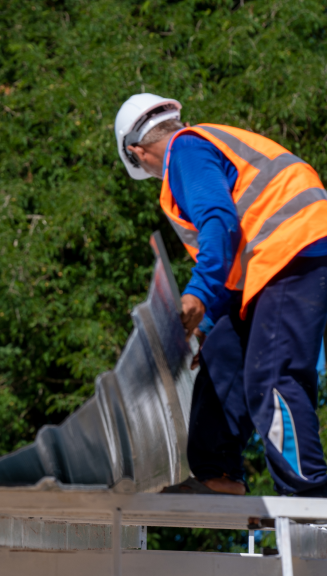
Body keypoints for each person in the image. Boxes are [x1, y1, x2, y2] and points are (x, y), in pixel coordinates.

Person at [115, 94, 327, 496]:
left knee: (274, 376)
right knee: (222, 354)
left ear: (137, 152)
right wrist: (207, 325)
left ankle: (310, 498)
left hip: (292, 250)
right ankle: (218, 475)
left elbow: (219, 222)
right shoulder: (206, 147)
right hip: (271, 262)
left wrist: (196, 293)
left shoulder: (185, 150)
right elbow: (234, 264)